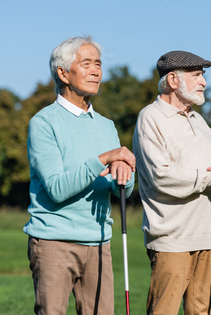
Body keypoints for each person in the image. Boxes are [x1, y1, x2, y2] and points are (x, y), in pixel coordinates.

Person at [23, 36, 135, 315]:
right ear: (63, 73)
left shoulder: (107, 126)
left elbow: (124, 190)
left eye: (98, 64)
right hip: (53, 244)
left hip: (99, 242)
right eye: (87, 64)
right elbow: (57, 188)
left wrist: (125, 174)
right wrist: (104, 159)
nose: (96, 71)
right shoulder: (43, 123)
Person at [133, 50, 211, 315]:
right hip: (172, 239)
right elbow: (161, 176)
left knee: (205, 312)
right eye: (196, 75)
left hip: (209, 236)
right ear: (172, 79)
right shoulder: (150, 118)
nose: (203, 82)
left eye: (202, 75)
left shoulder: (200, 121)